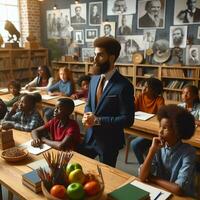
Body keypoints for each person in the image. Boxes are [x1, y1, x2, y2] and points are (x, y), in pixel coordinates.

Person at [77, 37, 135, 167]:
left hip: (109, 142)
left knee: (107, 178)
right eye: (95, 54)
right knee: (79, 168)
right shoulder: (94, 79)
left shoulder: (124, 85)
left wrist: (97, 120)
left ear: (112, 58)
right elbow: (89, 105)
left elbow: (128, 119)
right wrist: (87, 115)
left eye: (100, 55)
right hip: (90, 137)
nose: (95, 59)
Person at [139, 104, 196, 197]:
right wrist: (152, 150)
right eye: (160, 126)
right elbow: (142, 176)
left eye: (165, 128)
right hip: (161, 192)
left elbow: (179, 189)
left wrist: (154, 179)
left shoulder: (188, 152)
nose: (160, 131)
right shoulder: (157, 147)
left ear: (177, 132)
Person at [131, 78, 165, 165]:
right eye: (143, 86)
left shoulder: (159, 99)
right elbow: (132, 110)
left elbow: (162, 114)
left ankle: (143, 166)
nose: (143, 88)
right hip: (140, 127)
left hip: (153, 131)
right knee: (136, 144)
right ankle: (144, 166)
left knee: (135, 144)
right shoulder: (140, 96)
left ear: (154, 90)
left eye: (146, 87)